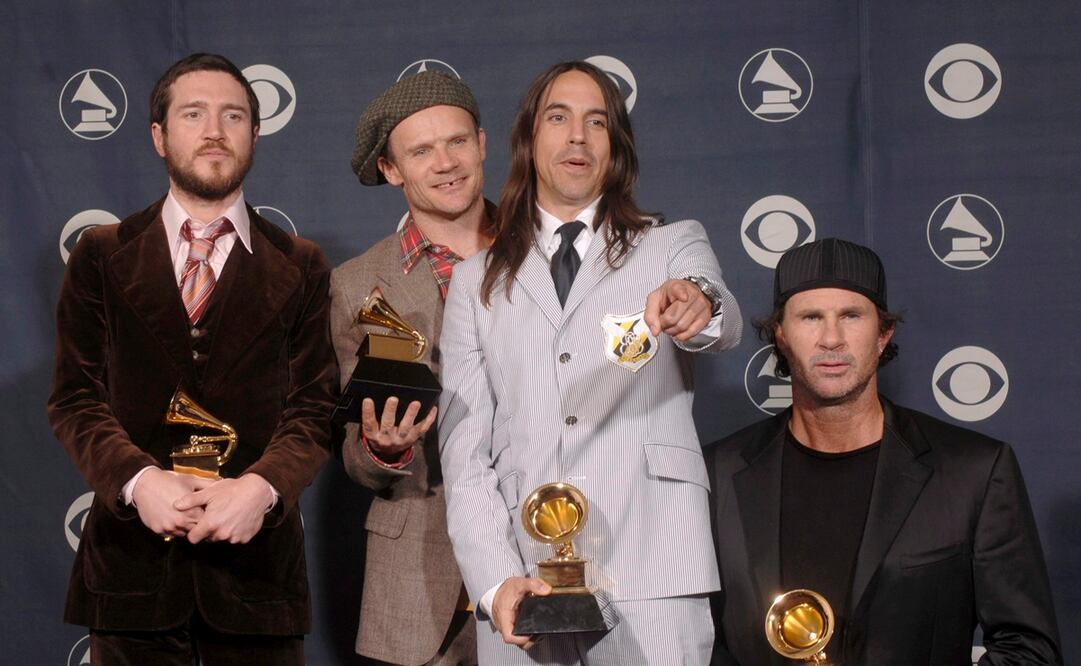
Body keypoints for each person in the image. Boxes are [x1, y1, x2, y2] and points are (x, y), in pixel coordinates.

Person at [438, 61, 742, 664]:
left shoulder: (670, 243)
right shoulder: (475, 282)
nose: (577, 136)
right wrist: (495, 586)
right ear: (529, 140)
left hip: (657, 574)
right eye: (559, 118)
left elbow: (720, 315)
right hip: (526, 582)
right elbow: (463, 450)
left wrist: (696, 304)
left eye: (596, 122)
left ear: (615, 147)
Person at [47, 53, 338, 665]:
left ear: (255, 135)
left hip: (257, 576)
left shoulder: (302, 265)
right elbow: (75, 398)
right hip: (131, 571)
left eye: (233, 115)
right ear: (159, 136)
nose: (214, 130)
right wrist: (139, 482)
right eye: (193, 113)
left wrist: (261, 489)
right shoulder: (100, 256)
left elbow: (314, 409)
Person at [707, 237, 1062, 665]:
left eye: (851, 316)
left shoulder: (974, 471)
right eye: (811, 317)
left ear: (883, 333)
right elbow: (696, 640)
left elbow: (1029, 651)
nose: (831, 338)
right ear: (781, 335)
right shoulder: (719, 472)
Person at [331, 70, 493, 665]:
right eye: (421, 151)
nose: (445, 163)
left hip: (545, 552)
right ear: (391, 170)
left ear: (481, 142)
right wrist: (385, 449)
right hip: (423, 584)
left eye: (456, 142)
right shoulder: (355, 285)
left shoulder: (545, 253)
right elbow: (352, 450)